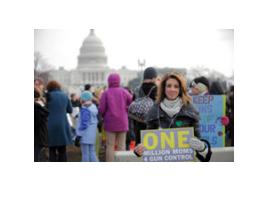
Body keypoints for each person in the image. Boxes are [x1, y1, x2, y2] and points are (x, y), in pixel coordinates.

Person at [134, 72, 211, 161]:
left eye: (176, 86)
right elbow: (146, 146)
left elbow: (203, 153)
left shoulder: (190, 111)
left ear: (180, 89)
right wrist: (138, 151)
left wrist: (202, 148)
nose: (172, 89)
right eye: (169, 86)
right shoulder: (154, 111)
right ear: (164, 88)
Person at [99, 73, 133, 162]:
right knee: (121, 146)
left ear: (108, 81)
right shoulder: (124, 91)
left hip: (110, 123)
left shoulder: (106, 93)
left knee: (110, 146)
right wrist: (126, 109)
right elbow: (132, 103)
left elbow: (101, 109)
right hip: (122, 122)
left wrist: (104, 116)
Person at [46, 80, 73, 162]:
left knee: (52, 150)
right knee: (62, 150)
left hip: (49, 124)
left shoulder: (47, 96)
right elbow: (70, 110)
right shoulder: (64, 95)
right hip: (62, 124)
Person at [133, 67, 158, 144]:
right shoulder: (157, 89)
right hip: (153, 125)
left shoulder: (137, 89)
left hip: (139, 124)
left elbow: (133, 108)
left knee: (140, 152)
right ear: (154, 77)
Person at [76, 91, 99, 162]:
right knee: (92, 152)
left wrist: (78, 135)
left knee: (85, 154)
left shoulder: (85, 110)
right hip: (92, 135)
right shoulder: (93, 107)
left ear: (83, 99)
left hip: (85, 135)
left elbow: (84, 125)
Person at [34, 87, 49, 162]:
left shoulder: (36, 107)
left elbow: (36, 122)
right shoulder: (41, 106)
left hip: (36, 137)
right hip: (41, 137)